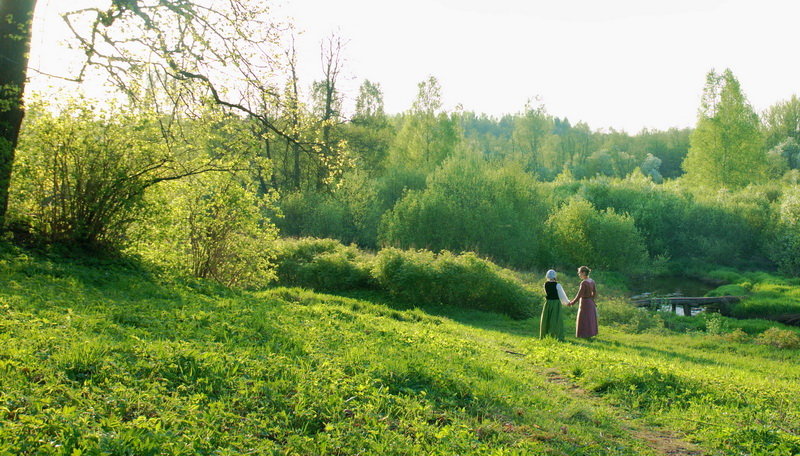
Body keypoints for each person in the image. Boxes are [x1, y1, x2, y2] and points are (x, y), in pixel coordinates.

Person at [569, 265, 598, 339]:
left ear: (584, 273)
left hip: (585, 302)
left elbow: (579, 295)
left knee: (584, 319)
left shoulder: (584, 283)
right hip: (590, 302)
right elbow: (594, 293)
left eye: (579, 273)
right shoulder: (592, 281)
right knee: (589, 319)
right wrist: (592, 300)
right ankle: (590, 334)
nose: (579, 275)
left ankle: (584, 335)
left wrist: (572, 302)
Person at [540, 269, 569, 340]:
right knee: (556, 320)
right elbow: (562, 295)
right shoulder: (557, 285)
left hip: (548, 303)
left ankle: (545, 335)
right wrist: (567, 302)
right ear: (555, 276)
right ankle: (556, 336)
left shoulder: (545, 284)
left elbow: (547, 293)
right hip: (556, 303)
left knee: (547, 319)